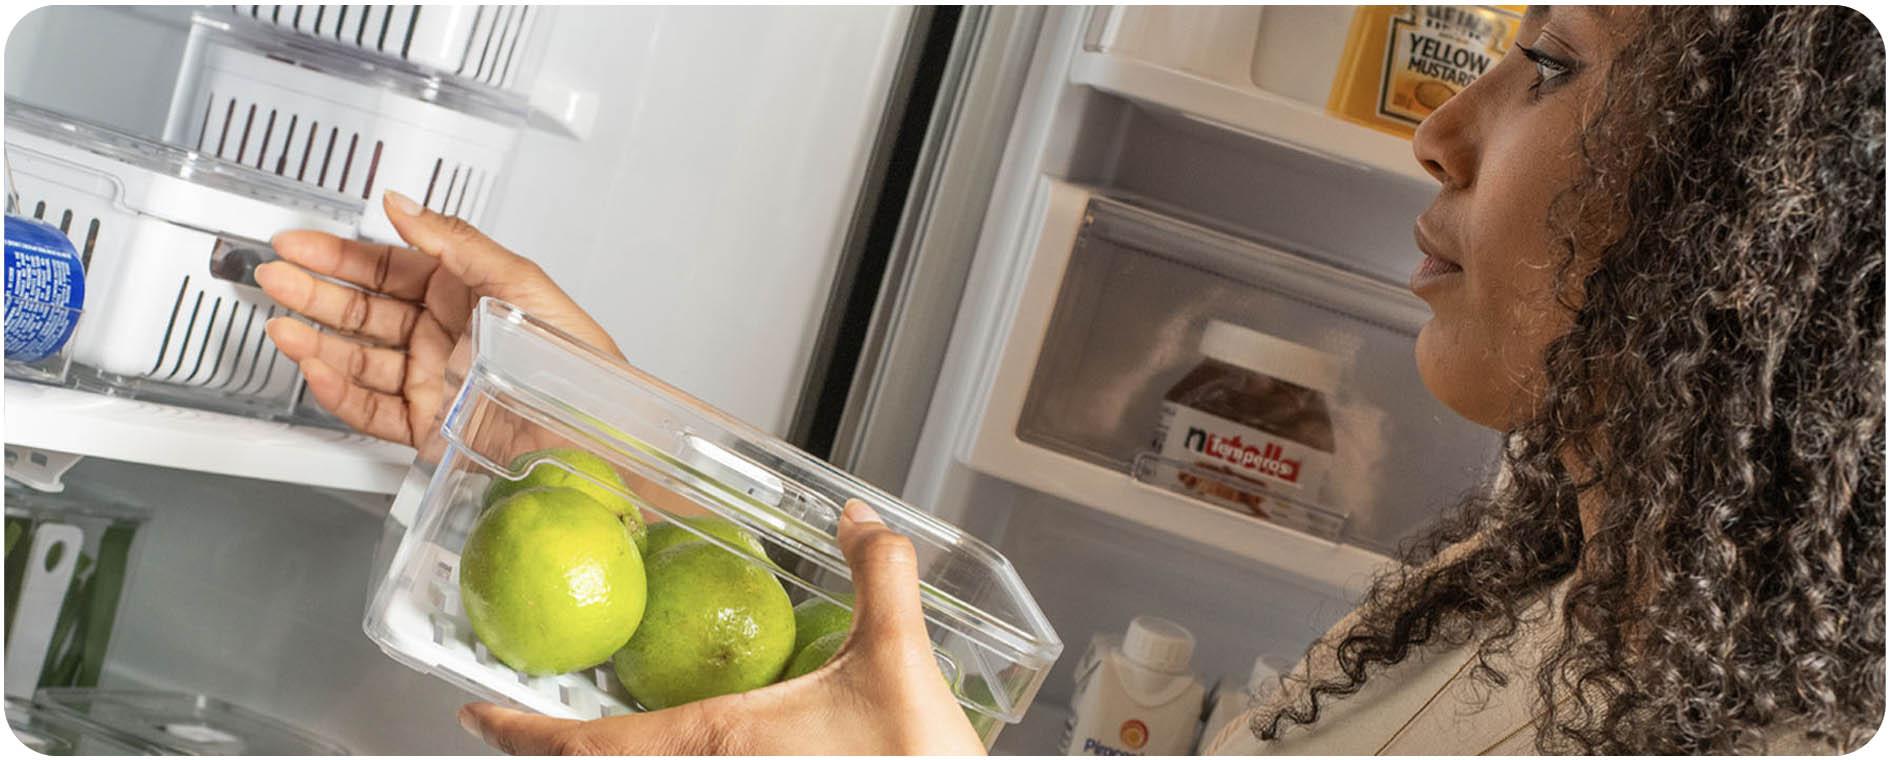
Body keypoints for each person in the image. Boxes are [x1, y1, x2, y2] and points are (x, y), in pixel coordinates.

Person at [254, 5, 1883, 755]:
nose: (1440, 128)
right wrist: (612, 440)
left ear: (1755, 212)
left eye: (1550, 62)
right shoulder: (1520, 594)